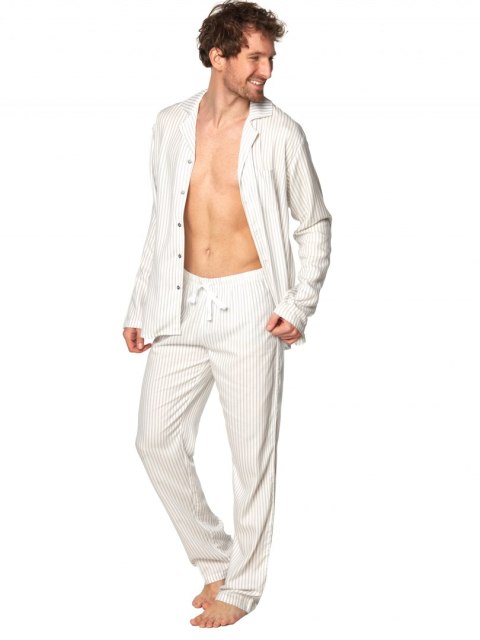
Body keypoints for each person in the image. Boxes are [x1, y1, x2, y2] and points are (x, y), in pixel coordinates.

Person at [122, 0, 332, 628]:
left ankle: (244, 585)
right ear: (218, 56)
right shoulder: (169, 124)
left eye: (270, 58)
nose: (266, 69)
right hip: (180, 304)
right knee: (155, 441)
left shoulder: (282, 132)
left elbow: (314, 223)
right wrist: (140, 303)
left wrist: (298, 303)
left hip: (250, 306)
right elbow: (163, 221)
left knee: (251, 458)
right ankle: (215, 557)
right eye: (254, 57)